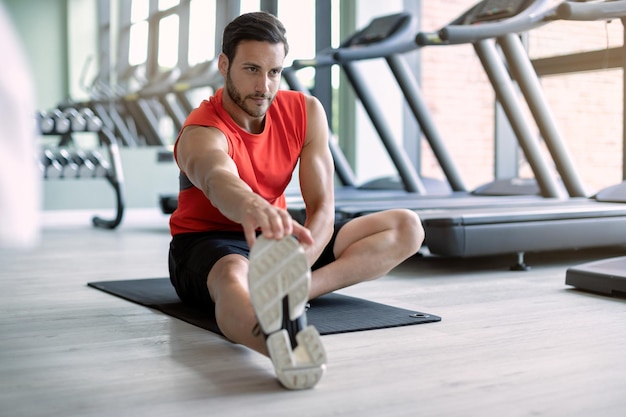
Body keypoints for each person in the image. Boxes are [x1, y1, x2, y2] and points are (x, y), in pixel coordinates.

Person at [168, 11, 424, 390]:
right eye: (252, 69)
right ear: (224, 65)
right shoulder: (201, 129)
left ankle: (294, 291)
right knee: (231, 278)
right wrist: (250, 206)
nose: (264, 86)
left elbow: (322, 207)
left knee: (406, 226)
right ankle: (280, 346)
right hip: (209, 241)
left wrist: (299, 263)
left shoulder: (305, 111)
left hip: (277, 240)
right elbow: (217, 177)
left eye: (274, 72)